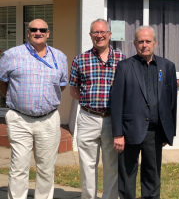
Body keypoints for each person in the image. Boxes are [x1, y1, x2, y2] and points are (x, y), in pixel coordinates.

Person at [0, 19, 68, 199]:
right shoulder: (11, 55)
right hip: (20, 119)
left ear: (48, 33)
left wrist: (46, 100)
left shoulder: (59, 57)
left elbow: (60, 85)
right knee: (19, 167)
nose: (38, 32)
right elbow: (2, 82)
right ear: (28, 32)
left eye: (42, 30)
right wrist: (17, 100)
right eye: (34, 30)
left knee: (46, 168)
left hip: (49, 119)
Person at [110, 25, 177, 199]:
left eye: (148, 41)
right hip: (129, 131)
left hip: (155, 133)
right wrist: (118, 134)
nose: (144, 45)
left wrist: (168, 132)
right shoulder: (124, 67)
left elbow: (171, 103)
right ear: (134, 43)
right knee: (127, 177)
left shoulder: (167, 67)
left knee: (152, 177)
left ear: (155, 43)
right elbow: (116, 102)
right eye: (141, 41)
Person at [69, 18, 125, 199]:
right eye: (95, 32)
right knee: (87, 165)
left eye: (103, 32)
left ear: (109, 35)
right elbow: (74, 90)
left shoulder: (121, 59)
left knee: (112, 165)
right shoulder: (80, 59)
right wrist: (90, 103)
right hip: (88, 117)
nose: (99, 36)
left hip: (112, 119)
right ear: (90, 35)